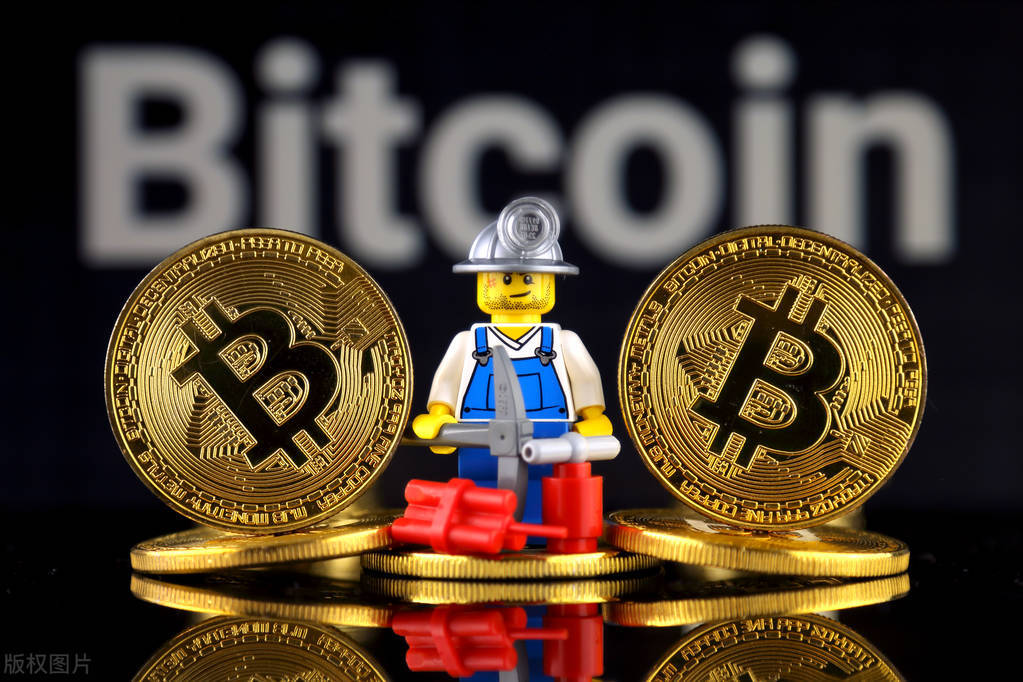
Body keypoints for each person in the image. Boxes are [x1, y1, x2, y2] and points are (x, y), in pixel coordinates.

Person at [412, 197, 612, 526]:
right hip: (478, 442)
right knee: (480, 501)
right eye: (505, 278)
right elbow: (446, 385)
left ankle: (541, 536)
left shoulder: (563, 343)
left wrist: (592, 419)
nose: (518, 285)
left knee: (547, 504)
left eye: (529, 278)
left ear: (550, 282)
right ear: (482, 282)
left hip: (549, 443)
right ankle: (483, 536)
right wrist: (438, 417)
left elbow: (587, 383)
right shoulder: (467, 343)